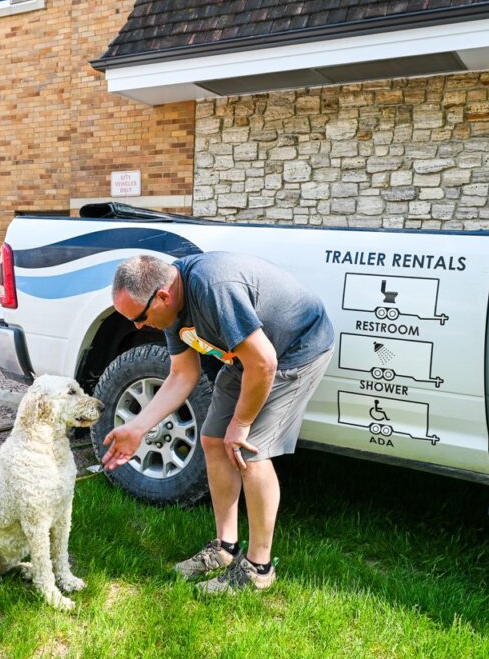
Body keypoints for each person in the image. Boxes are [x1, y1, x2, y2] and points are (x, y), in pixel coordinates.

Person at [102, 252, 334, 594]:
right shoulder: (171, 311)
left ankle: (259, 569)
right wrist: (138, 427)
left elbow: (266, 362)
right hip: (249, 357)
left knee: (248, 452)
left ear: (162, 296)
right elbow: (183, 375)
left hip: (295, 349)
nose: (138, 326)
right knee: (212, 439)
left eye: (139, 317)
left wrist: (241, 424)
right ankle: (226, 549)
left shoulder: (212, 287)